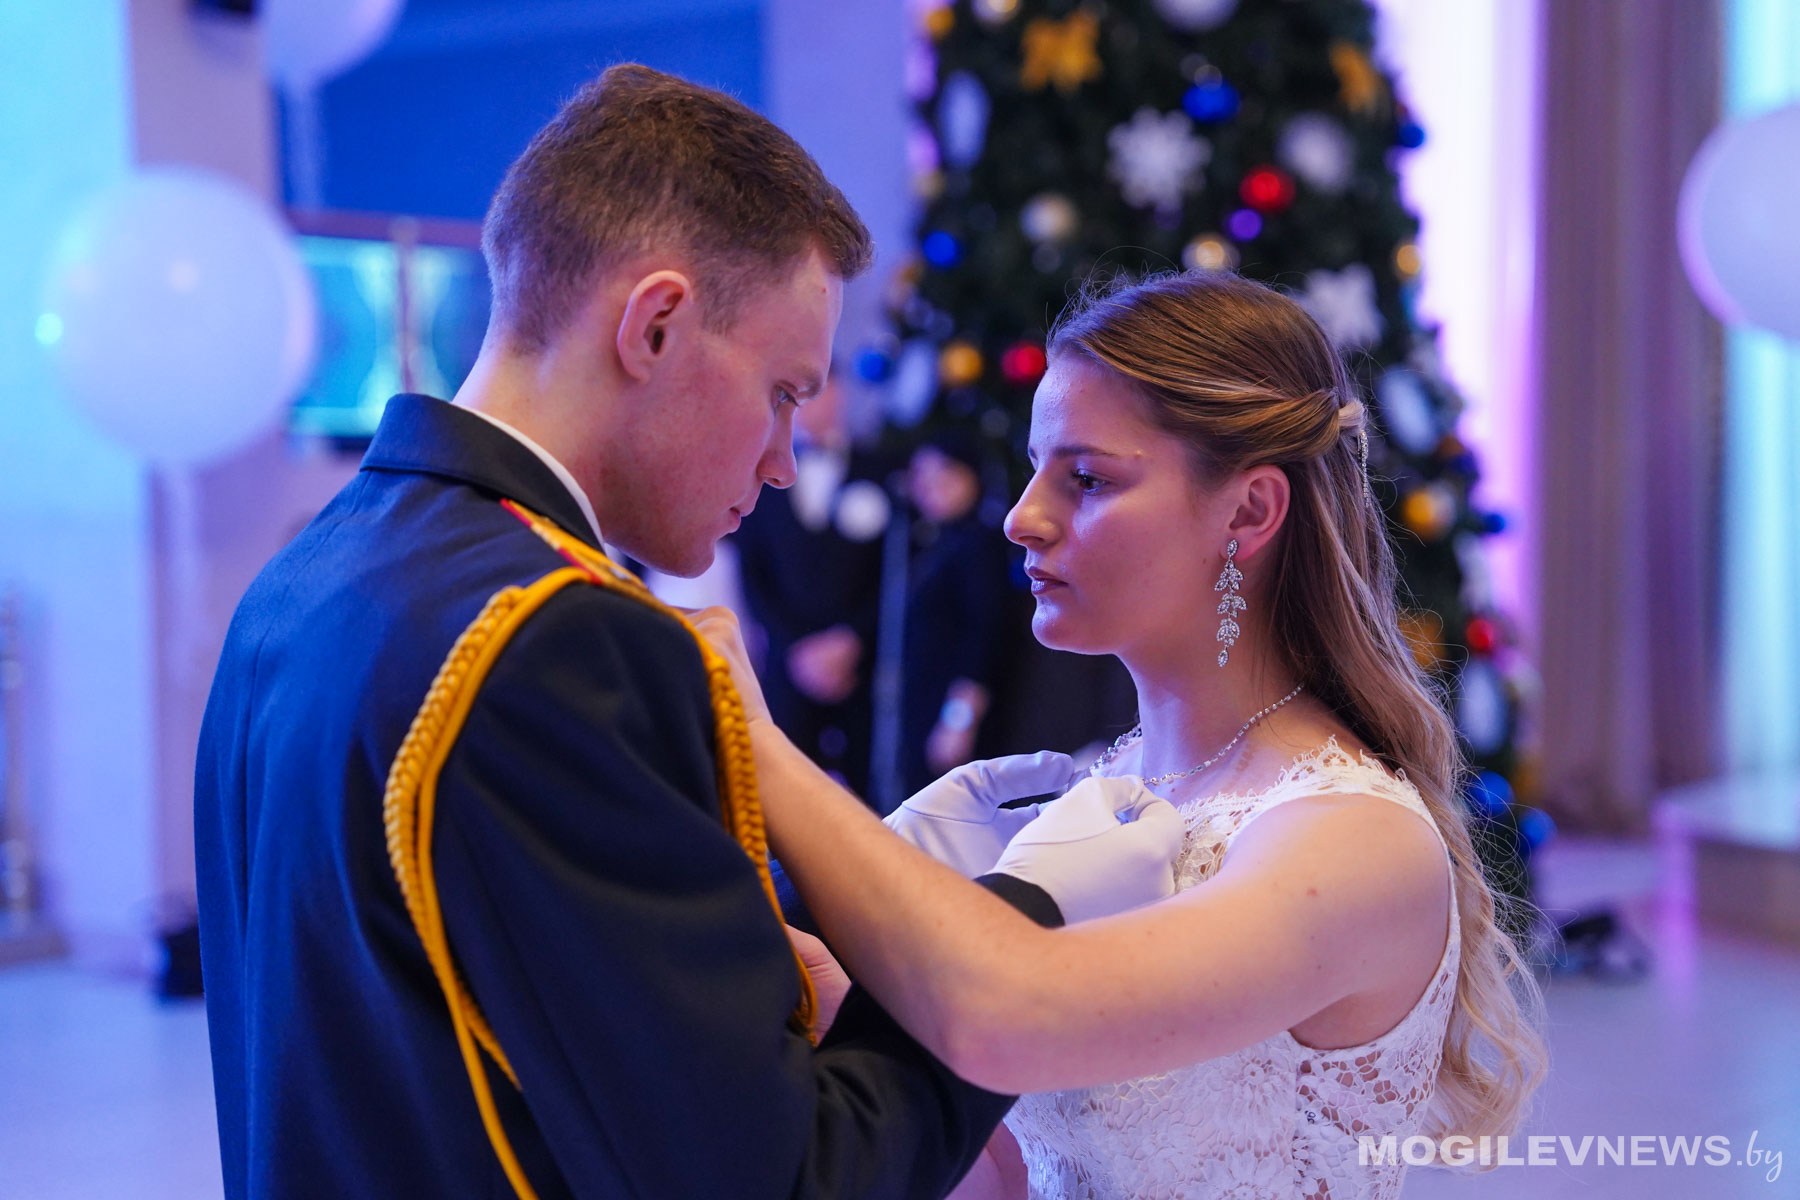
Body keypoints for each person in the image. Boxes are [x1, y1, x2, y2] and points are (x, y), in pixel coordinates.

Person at [193, 65, 1186, 1200]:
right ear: (656, 325)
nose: (784, 460)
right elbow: (787, 1179)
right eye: (781, 392)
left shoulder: (306, 577)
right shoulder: (559, 638)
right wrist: (1015, 927)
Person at [706, 271, 1548, 1199]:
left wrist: (761, 748)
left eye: (1087, 479)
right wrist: (839, 991)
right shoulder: (1100, 791)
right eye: (1035, 469)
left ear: (1248, 511)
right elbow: (1018, 1173)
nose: (1021, 517)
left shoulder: (1353, 837)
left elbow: (1002, 1015)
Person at [733, 369, 889, 798]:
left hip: (861, 666)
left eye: (824, 394)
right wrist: (794, 646)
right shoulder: (762, 475)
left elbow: (894, 573)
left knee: (868, 793)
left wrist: (851, 639)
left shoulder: (881, 471)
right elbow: (752, 571)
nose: (815, 407)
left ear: (842, 396)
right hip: (789, 663)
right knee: (782, 790)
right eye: (803, 399)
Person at [899, 430, 1012, 793]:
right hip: (926, 702)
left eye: (945, 475)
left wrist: (958, 722)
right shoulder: (934, 541)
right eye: (922, 476)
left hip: (953, 714)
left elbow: (985, 635)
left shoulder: (981, 545)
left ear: (972, 476)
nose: (931, 487)